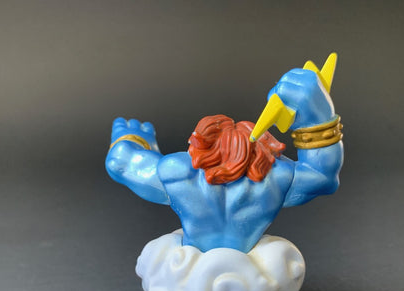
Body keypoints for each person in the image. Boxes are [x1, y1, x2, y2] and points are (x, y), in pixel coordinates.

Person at [106, 67, 344, 253]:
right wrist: (318, 120)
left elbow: (119, 162)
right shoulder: (276, 177)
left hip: (187, 273)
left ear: (201, 145)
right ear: (261, 150)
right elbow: (322, 176)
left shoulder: (178, 171)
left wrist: (133, 139)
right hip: (251, 279)